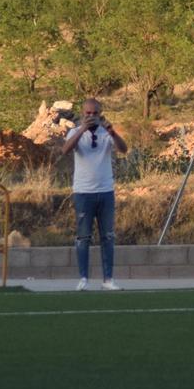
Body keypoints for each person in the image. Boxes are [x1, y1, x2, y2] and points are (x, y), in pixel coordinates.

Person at [62, 98, 128, 292]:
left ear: (100, 114)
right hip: (83, 192)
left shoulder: (106, 133)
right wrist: (82, 129)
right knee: (83, 237)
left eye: (95, 114)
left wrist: (112, 131)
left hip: (105, 191)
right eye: (88, 113)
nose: (91, 117)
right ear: (83, 114)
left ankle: (108, 278)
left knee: (107, 236)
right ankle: (83, 278)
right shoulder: (75, 132)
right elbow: (65, 150)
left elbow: (124, 149)